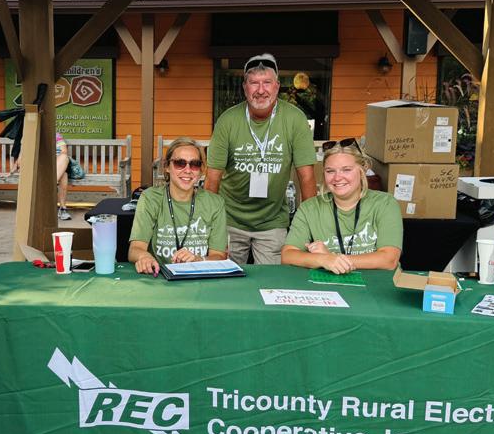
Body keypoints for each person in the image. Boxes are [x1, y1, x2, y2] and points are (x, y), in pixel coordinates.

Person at [204, 53, 317, 265]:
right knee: (221, 277)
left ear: (277, 86)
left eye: (267, 82)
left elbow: (307, 177)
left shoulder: (295, 119)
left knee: (272, 280)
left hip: (272, 222)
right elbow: (212, 179)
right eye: (254, 83)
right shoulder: (227, 120)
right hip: (229, 219)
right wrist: (210, 225)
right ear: (244, 87)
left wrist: (309, 226)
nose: (261, 90)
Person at [282, 139, 402, 273]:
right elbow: (287, 255)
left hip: (376, 283)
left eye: (346, 170)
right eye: (330, 171)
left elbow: (389, 260)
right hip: (328, 283)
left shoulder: (385, 203)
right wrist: (323, 260)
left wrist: (333, 258)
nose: (337, 178)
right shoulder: (309, 208)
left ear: (362, 170)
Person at [129, 137, 228, 275]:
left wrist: (199, 260)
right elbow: (135, 249)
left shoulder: (215, 203)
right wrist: (144, 257)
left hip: (199, 277)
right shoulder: (150, 198)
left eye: (195, 164)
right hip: (160, 277)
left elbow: (219, 256)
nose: (187, 170)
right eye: (180, 163)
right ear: (167, 167)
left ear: (200, 170)